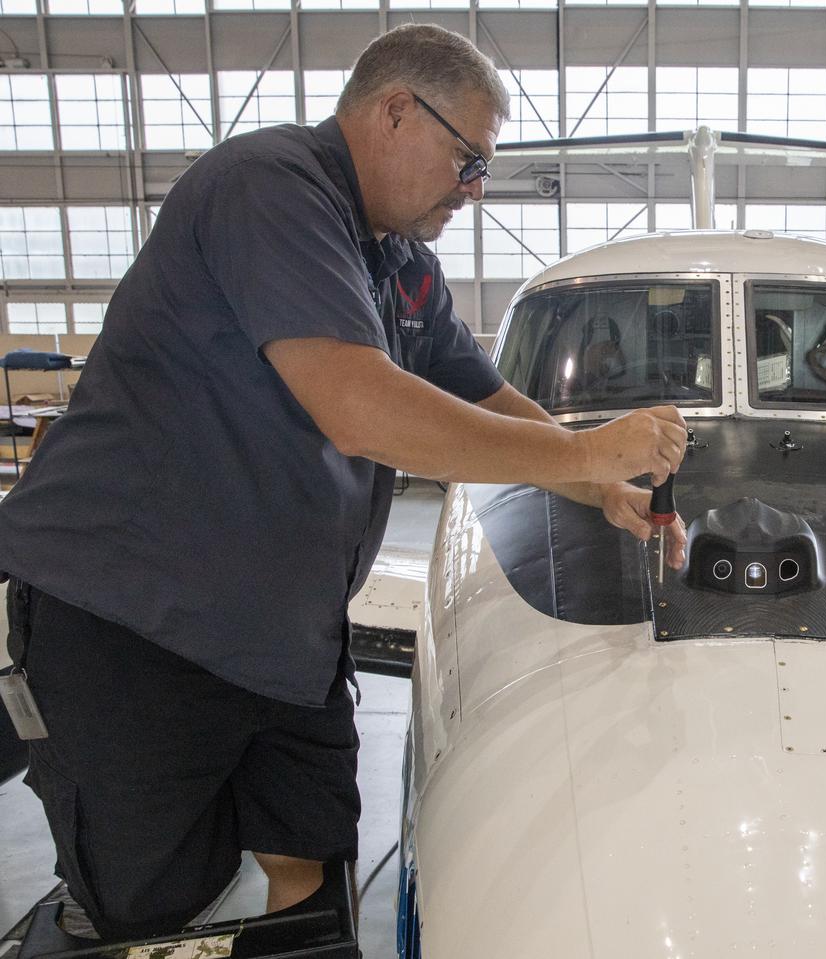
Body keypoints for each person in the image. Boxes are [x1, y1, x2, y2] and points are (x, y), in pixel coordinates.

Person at [0, 24, 687, 940]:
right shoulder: (269, 188)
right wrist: (586, 453)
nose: (474, 192)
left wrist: (595, 487)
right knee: (150, 910)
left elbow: (482, 390)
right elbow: (360, 407)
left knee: (314, 867)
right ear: (397, 110)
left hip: (284, 640)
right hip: (137, 627)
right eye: (467, 160)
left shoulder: (401, 264)